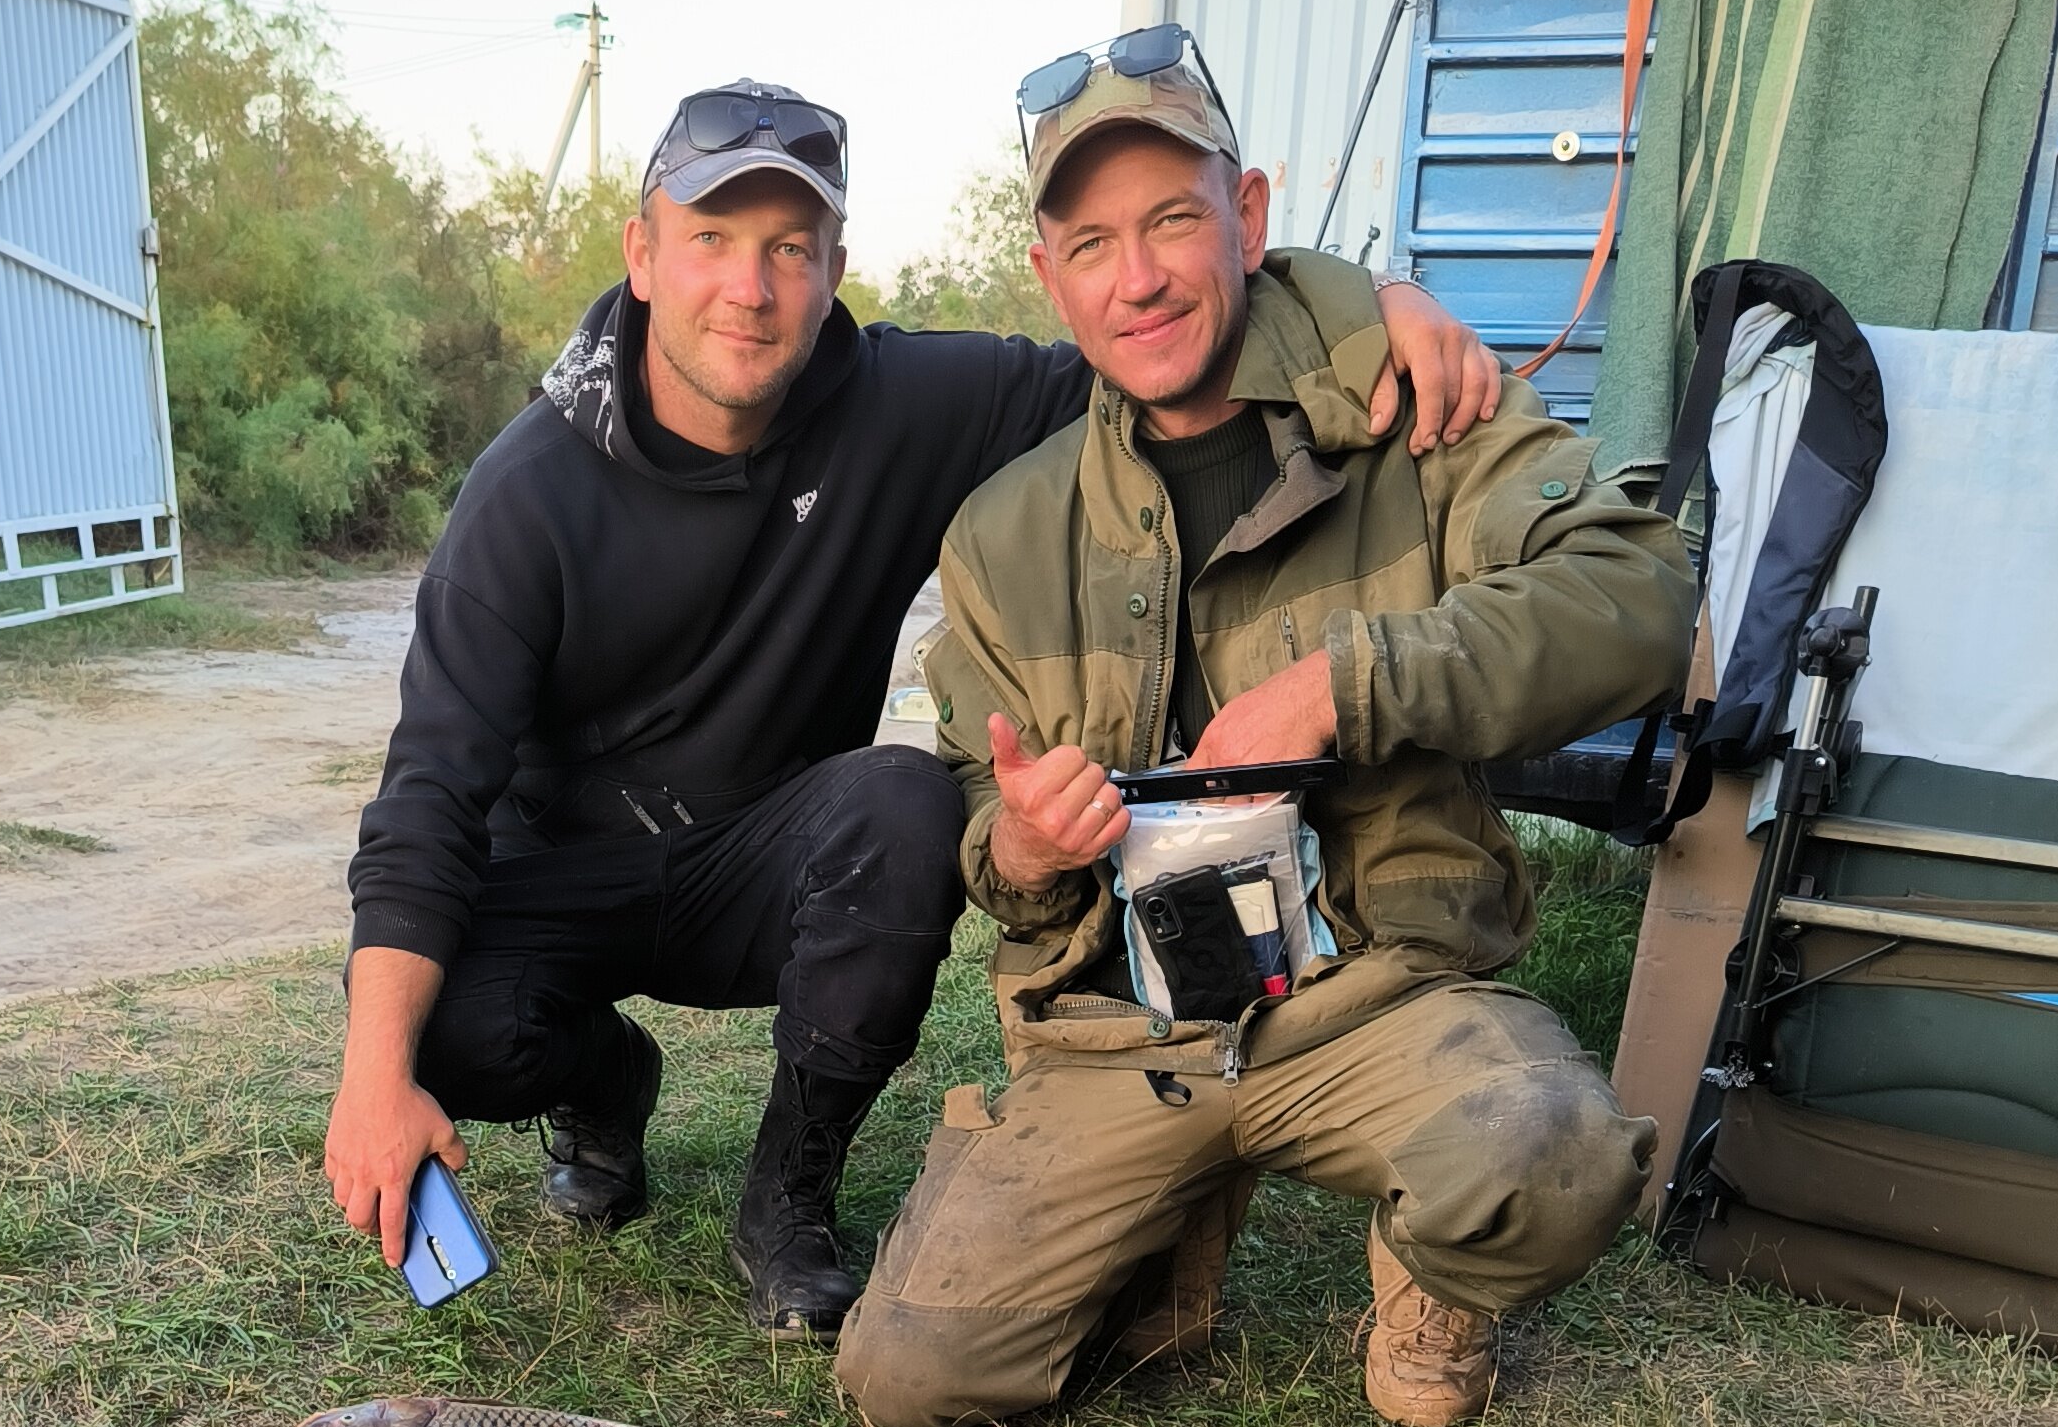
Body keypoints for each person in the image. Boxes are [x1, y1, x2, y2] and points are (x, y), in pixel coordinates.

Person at [321, 76, 1501, 1332]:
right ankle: (605, 1083)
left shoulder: (904, 402)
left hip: (764, 861)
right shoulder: (524, 494)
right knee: (428, 1018)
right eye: (712, 239)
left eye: (790, 248)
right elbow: (428, 792)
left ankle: (789, 1191)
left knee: (901, 798)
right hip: (561, 871)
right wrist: (371, 1079)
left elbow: (1145, 338)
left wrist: (1377, 305)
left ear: (836, 266)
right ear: (643, 254)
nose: (751, 286)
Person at [831, 33, 1695, 1427]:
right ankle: (1168, 1222)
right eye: (1093, 241)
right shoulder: (1002, 530)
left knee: (1547, 1153)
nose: (1141, 275)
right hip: (1122, 1036)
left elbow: (1641, 596)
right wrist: (1030, 840)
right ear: (1051, 278)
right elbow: (981, 830)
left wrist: (1346, 690)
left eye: (1175, 219)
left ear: (1247, 216)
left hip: (1378, 1000)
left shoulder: (1419, 416)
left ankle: (1435, 1280)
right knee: (911, 1383)